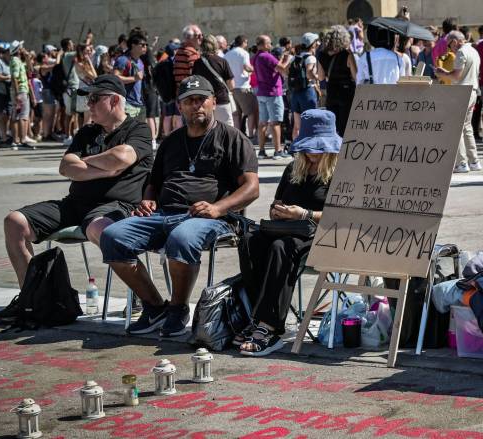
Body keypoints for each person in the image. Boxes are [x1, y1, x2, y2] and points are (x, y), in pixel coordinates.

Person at [100, 75, 260, 337]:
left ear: (213, 102)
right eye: (189, 101)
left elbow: (251, 188)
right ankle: (154, 307)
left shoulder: (232, 138)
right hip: (163, 213)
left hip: (210, 217)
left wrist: (219, 208)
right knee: (113, 236)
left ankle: (178, 308)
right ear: (180, 107)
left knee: (181, 238)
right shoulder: (171, 141)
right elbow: (154, 181)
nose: (195, 106)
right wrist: (148, 198)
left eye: (201, 100)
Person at [0, 75, 153, 321]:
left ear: (114, 100)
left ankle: (142, 296)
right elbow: (65, 166)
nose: (88, 105)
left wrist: (85, 164)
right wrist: (103, 166)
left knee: (101, 229)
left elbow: (122, 158)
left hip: (115, 206)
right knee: (14, 222)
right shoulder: (87, 132)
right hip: (74, 205)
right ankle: (34, 300)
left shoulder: (138, 129)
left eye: (94, 99)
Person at [236, 109, 340, 356]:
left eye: (319, 147)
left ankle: (269, 327)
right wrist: (278, 211)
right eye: (309, 147)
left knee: (281, 247)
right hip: (286, 228)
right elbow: (278, 201)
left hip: (320, 234)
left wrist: (303, 214)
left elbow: (341, 216)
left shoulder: (339, 172)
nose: (313, 153)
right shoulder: (294, 167)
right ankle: (256, 315)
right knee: (250, 241)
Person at [435, 30, 482, 173]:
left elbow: (456, 76)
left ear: (455, 41)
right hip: (473, 91)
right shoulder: (474, 51)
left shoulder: (461, 52)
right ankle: (474, 161)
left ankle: (462, 163)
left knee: (457, 128)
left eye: (450, 45)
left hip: (462, 92)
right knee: (467, 127)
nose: (450, 49)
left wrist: (442, 72)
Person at [254, 35, 292, 159]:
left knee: (263, 123)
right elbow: (282, 69)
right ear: (264, 44)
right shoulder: (267, 56)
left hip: (262, 92)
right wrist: (286, 59)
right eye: (269, 43)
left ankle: (261, 151)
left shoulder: (256, 57)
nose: (271, 45)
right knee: (275, 123)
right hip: (273, 92)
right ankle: (278, 151)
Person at [317, 25, 357, 137]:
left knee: (334, 126)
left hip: (332, 92)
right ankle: (344, 151)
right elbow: (355, 76)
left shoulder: (321, 55)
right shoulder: (347, 54)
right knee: (346, 125)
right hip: (347, 92)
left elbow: (320, 77)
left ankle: (334, 152)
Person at [193, 35, 235, 126]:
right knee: (226, 128)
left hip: (204, 101)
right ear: (215, 45)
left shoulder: (197, 63)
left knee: (208, 129)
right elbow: (231, 84)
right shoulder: (222, 61)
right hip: (222, 100)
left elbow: (195, 82)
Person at [289, 33, 321, 140]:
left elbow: (285, 72)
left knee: (297, 126)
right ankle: (310, 152)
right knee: (310, 123)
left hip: (295, 92)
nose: (318, 43)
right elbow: (308, 73)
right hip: (307, 92)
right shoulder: (311, 58)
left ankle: (297, 152)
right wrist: (318, 77)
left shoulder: (295, 58)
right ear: (313, 44)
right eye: (317, 41)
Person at [224, 35, 255, 135]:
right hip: (243, 86)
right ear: (244, 42)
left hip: (231, 87)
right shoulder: (243, 53)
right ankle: (250, 135)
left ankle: (237, 135)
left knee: (236, 114)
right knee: (250, 112)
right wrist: (254, 70)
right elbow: (247, 67)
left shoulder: (227, 54)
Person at [113, 35, 147, 120]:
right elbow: (115, 78)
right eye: (142, 45)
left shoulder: (140, 61)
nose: (145, 47)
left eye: (146, 45)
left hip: (139, 105)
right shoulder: (123, 60)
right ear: (133, 45)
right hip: (127, 104)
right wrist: (134, 78)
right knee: (127, 132)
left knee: (138, 132)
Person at [9, 42, 33, 149]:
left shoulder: (18, 61)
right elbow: (14, 77)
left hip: (22, 90)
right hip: (21, 91)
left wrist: (27, 57)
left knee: (18, 115)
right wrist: (18, 93)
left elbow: (31, 70)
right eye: (21, 47)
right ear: (18, 49)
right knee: (22, 116)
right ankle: (21, 140)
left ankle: (17, 141)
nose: (23, 48)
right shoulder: (15, 61)